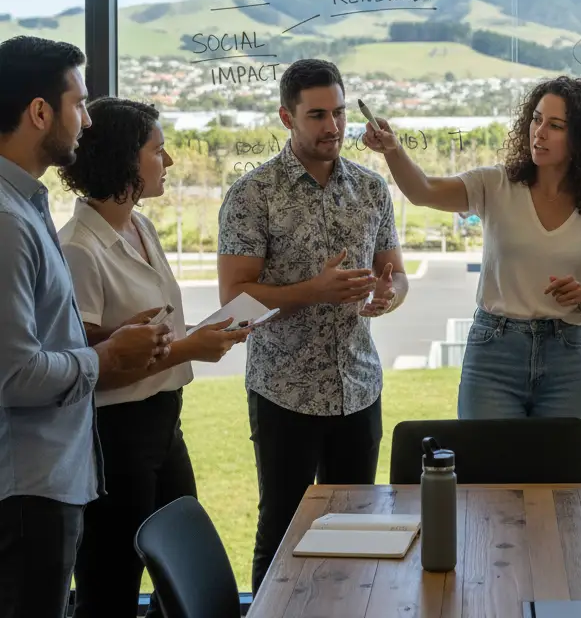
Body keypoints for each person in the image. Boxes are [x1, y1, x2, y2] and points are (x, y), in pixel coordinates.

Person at [217, 59, 407, 593]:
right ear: (286, 116)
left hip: (359, 388)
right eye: (318, 115)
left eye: (340, 113)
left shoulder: (371, 189)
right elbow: (235, 303)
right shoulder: (253, 194)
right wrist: (312, 292)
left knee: (354, 530)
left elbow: (396, 276)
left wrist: (388, 295)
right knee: (281, 530)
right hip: (285, 392)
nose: (334, 127)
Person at [57, 98, 250, 618]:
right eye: (157, 150)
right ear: (125, 158)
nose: (168, 162)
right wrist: (189, 348)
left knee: (180, 577)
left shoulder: (140, 227)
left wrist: (204, 333)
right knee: (111, 583)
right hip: (114, 436)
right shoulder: (78, 247)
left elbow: (152, 329)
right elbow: (90, 364)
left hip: (165, 424)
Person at [0, 37, 171, 618]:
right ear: (40, 113)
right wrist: (109, 355)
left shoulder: (25, 203)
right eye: (79, 102)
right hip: (27, 486)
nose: (88, 119)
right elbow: (16, 373)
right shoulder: (7, 220)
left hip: (52, 473)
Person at [362, 75, 581, 443]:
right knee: (486, 484)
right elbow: (423, 191)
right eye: (536, 120)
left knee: (566, 485)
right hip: (494, 352)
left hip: (567, 356)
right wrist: (392, 149)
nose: (540, 132)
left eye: (555, 125)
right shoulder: (495, 185)